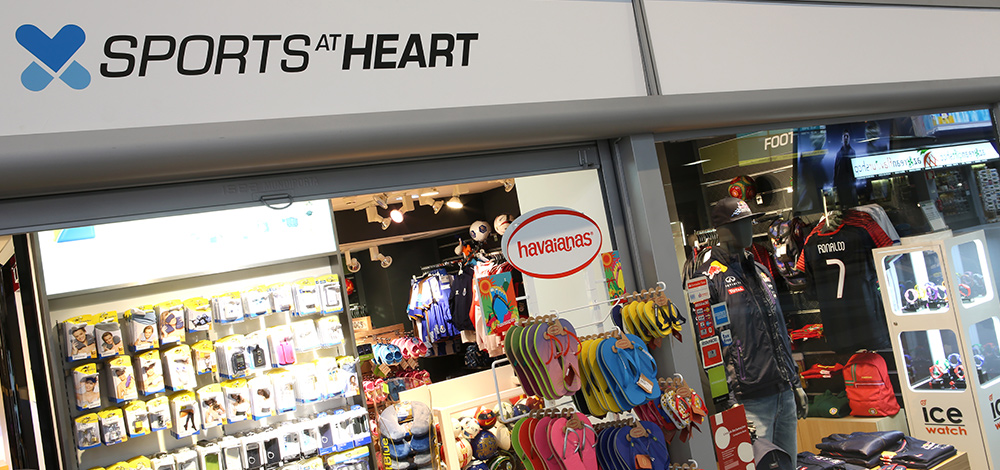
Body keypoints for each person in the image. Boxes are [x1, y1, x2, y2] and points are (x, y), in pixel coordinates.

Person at [696, 197, 806, 465]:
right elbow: (708, 346)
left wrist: (794, 382)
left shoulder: (760, 270)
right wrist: (726, 402)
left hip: (783, 393)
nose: (749, 230)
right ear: (722, 230)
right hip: (748, 403)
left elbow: (778, 329)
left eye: (750, 223)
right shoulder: (707, 279)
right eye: (741, 224)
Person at [832, 128, 857, 207]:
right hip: (841, 182)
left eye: (847, 136)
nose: (846, 138)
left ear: (849, 138)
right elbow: (836, 168)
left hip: (849, 182)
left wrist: (854, 180)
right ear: (842, 138)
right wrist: (835, 182)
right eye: (844, 136)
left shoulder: (852, 152)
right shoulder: (839, 153)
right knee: (842, 202)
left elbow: (854, 168)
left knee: (851, 202)